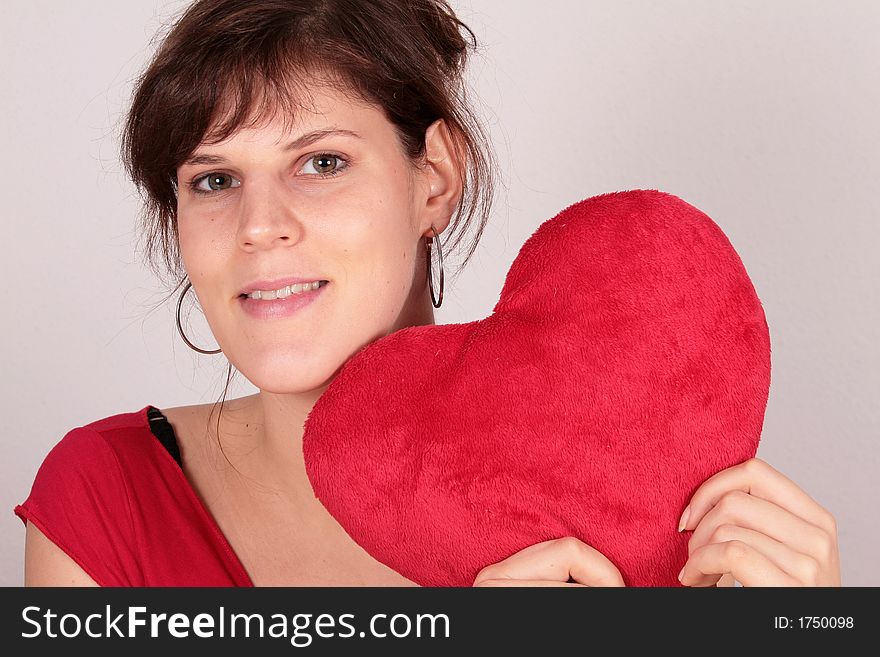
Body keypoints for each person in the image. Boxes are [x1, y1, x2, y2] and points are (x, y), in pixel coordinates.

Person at [16, 0, 840, 587]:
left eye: (322, 162)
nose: (258, 226)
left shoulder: (644, 495)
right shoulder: (106, 500)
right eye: (214, 178)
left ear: (435, 177)